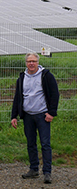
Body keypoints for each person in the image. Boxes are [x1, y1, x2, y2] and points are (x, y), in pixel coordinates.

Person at [11, 52, 59, 184]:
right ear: (26, 63)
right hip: (28, 116)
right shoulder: (22, 78)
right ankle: (33, 169)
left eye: (34, 61)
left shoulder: (46, 76)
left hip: (42, 115)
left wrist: (51, 113)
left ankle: (47, 172)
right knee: (31, 143)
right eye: (29, 61)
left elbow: (55, 94)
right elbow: (18, 98)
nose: (31, 63)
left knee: (45, 144)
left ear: (38, 62)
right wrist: (14, 116)